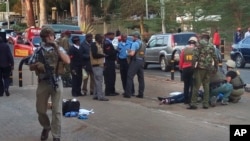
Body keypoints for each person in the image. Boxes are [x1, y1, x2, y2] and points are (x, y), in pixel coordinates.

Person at [29, 27, 70, 141]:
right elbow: (30, 65)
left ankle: (56, 135)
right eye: (48, 36)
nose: (51, 38)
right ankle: (46, 127)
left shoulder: (59, 48)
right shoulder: (38, 50)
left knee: (56, 111)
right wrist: (37, 65)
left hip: (57, 81)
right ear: (43, 38)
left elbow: (67, 61)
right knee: (41, 110)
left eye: (51, 35)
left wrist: (56, 47)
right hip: (43, 83)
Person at [188, 33, 219, 109]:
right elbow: (215, 58)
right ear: (208, 38)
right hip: (208, 68)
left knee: (196, 86)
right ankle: (205, 104)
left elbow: (195, 56)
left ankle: (193, 104)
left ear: (202, 38)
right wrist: (215, 67)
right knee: (206, 86)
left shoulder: (199, 45)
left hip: (199, 68)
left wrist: (192, 66)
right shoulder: (211, 46)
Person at [123, 31, 146, 98]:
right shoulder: (143, 43)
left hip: (135, 61)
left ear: (135, 37)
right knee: (141, 78)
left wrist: (127, 53)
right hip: (141, 60)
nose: (132, 37)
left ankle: (128, 93)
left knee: (129, 76)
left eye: (133, 36)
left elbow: (132, 54)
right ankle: (141, 93)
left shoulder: (135, 44)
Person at [90, 34, 109, 101]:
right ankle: (100, 96)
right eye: (102, 39)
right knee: (99, 81)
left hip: (99, 65)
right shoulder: (94, 45)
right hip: (96, 65)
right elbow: (95, 55)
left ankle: (95, 95)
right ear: (98, 39)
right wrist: (103, 55)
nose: (102, 40)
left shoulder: (99, 45)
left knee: (96, 81)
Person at [179, 36, 197, 104]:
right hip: (192, 69)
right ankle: (191, 100)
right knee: (192, 85)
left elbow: (181, 60)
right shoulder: (196, 50)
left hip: (185, 69)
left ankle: (185, 100)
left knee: (186, 85)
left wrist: (180, 68)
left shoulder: (184, 50)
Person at [103, 32, 119, 96]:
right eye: (112, 35)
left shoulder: (109, 42)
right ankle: (108, 91)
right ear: (108, 36)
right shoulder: (107, 43)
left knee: (112, 77)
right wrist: (116, 51)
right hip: (108, 61)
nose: (113, 37)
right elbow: (109, 53)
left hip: (111, 61)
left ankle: (112, 90)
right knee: (109, 77)